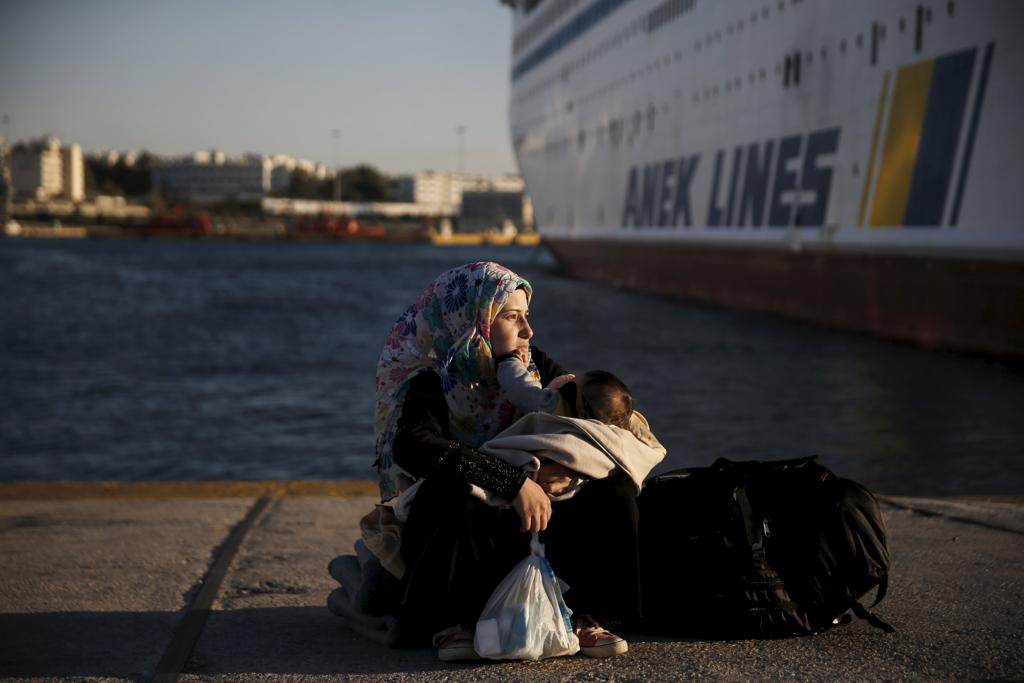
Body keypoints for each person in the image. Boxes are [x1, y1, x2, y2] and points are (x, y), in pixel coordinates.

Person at [374, 262, 643, 661]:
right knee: (452, 490)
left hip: (528, 527)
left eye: (527, 317)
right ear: (474, 319)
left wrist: (568, 470)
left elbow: (596, 425)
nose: (527, 331)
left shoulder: (534, 368)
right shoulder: (431, 378)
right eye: (512, 317)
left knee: (613, 487)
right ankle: (456, 621)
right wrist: (514, 483)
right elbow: (416, 447)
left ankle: (582, 613)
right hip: (465, 534)